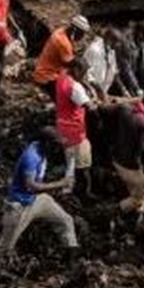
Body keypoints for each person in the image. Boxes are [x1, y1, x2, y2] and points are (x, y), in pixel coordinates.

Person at [0, 127, 78, 275]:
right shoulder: (31, 157)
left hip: (38, 200)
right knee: (6, 245)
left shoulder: (40, 147)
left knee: (66, 220)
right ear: (46, 143)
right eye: (54, 145)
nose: (56, 148)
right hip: (20, 205)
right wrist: (60, 184)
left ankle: (71, 262)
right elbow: (32, 186)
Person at [105, 94, 144, 224]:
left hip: (116, 156)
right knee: (139, 197)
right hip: (129, 164)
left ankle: (137, 217)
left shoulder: (125, 109)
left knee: (143, 191)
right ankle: (112, 212)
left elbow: (106, 110)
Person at [55, 58, 95, 198]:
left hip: (62, 126)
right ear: (76, 70)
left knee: (70, 162)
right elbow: (90, 107)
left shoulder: (62, 77)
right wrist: (95, 101)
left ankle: (67, 191)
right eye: (82, 73)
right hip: (76, 131)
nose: (83, 76)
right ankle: (82, 194)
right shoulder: (75, 87)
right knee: (82, 166)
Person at [34, 14, 90, 99]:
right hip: (47, 77)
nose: (82, 37)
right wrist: (80, 80)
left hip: (48, 72)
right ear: (75, 30)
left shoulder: (62, 32)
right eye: (81, 34)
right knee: (73, 98)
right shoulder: (63, 42)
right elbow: (70, 64)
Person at [83, 27, 128, 99]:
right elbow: (86, 73)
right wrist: (98, 88)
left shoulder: (111, 51)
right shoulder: (94, 50)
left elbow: (114, 72)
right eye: (116, 42)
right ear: (109, 39)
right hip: (90, 92)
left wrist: (123, 89)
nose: (118, 45)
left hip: (102, 93)